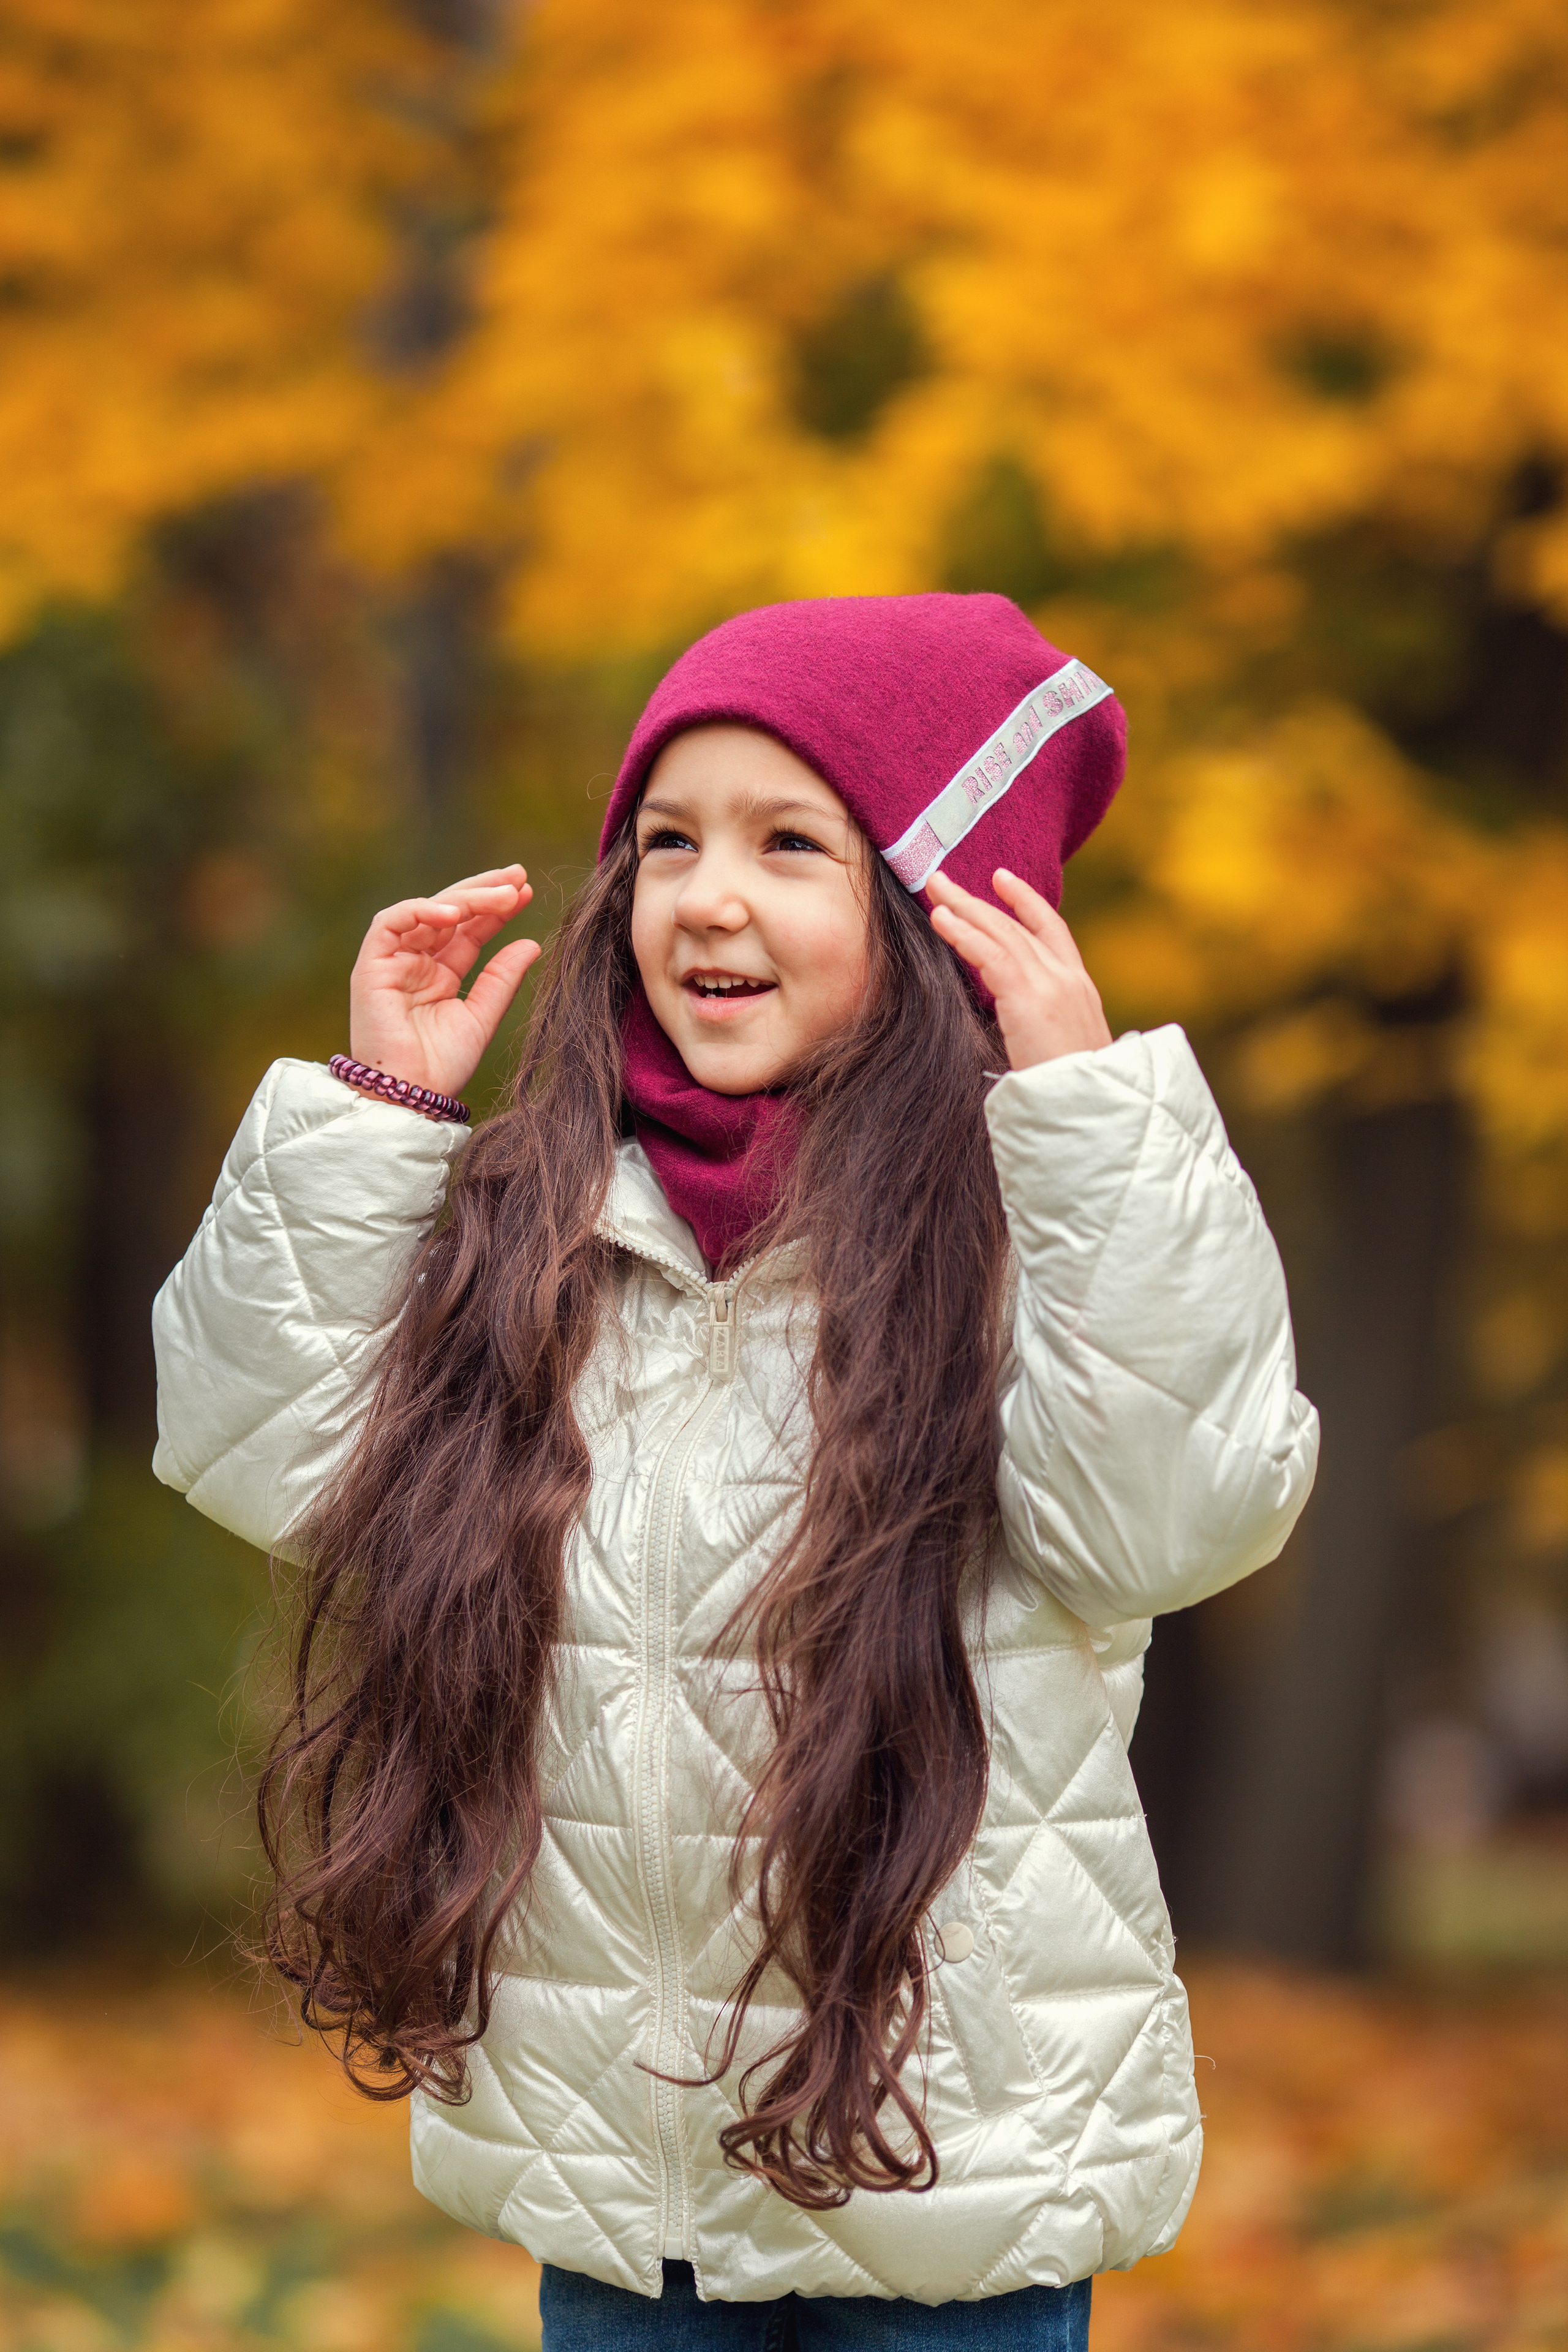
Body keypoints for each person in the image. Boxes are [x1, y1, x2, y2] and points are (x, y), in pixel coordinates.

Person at [153, 593, 1318, 2350]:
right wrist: (374, 1113)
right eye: (669, 841)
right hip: (629, 2191)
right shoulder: (545, 1225)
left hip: (941, 2191)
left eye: (790, 844)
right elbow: (262, 1455)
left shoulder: (1034, 1237)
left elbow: (1170, 1522)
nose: (705, 896)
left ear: (944, 906)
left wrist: (1091, 1119)